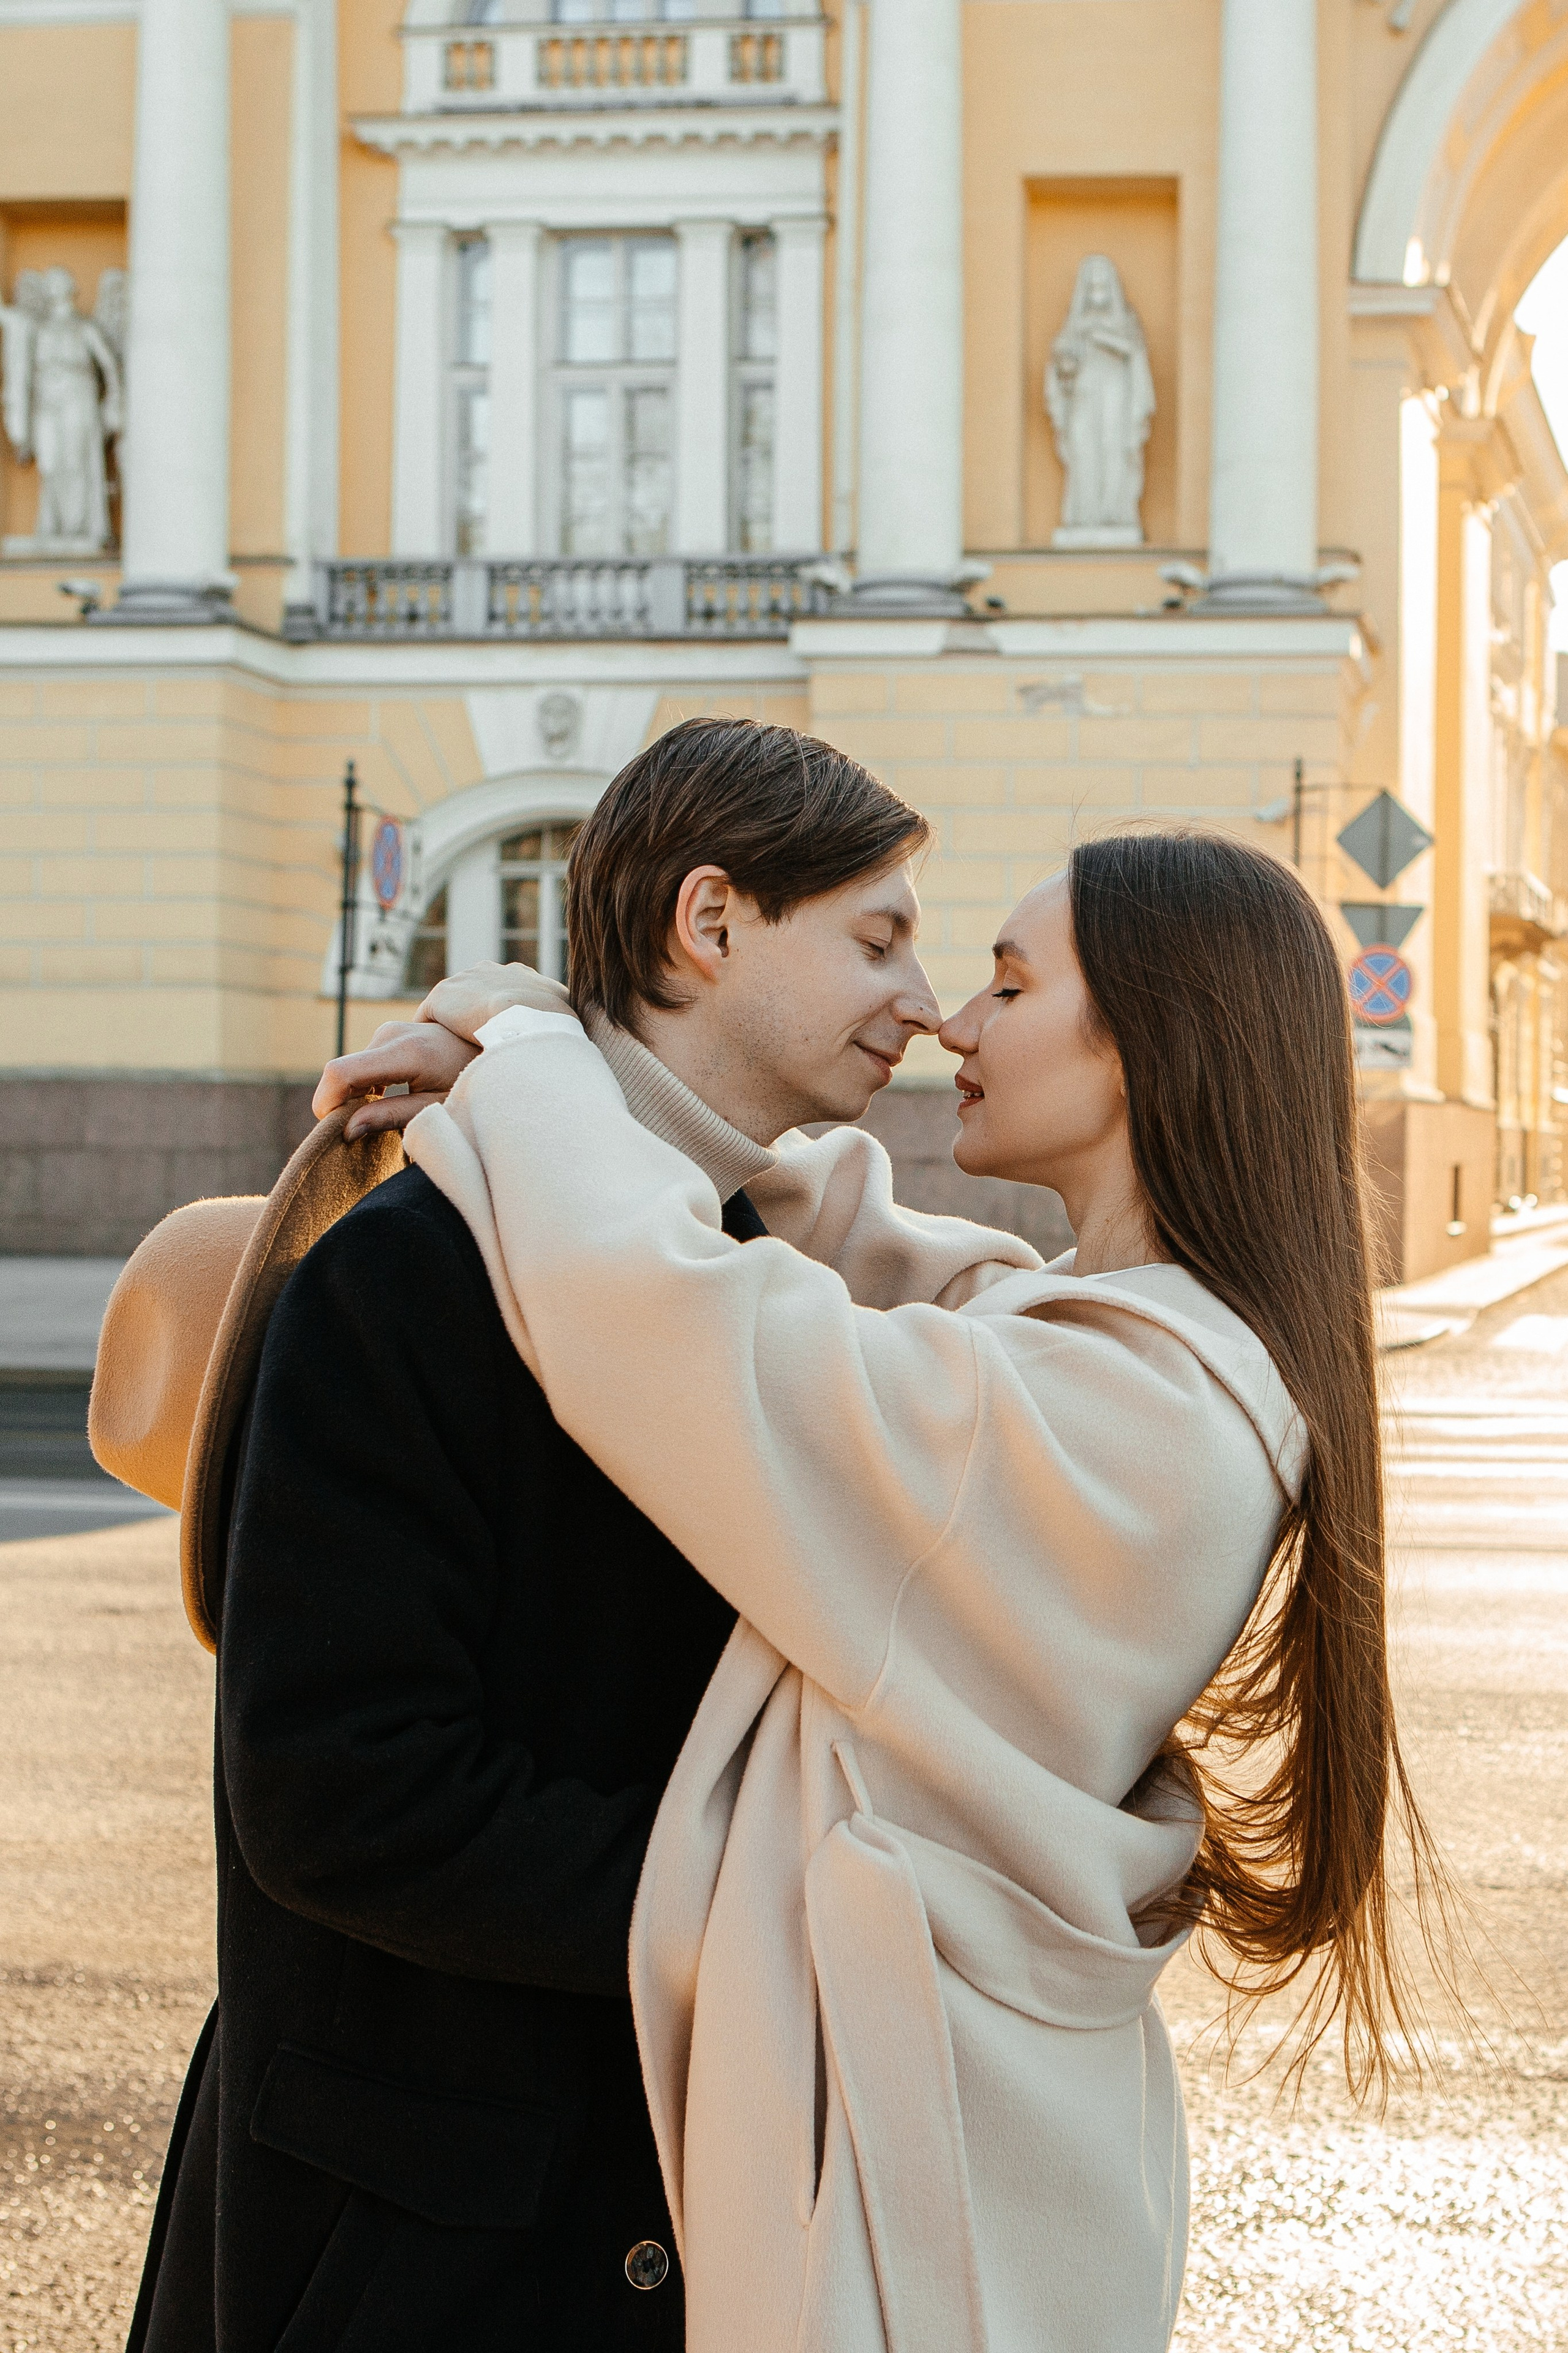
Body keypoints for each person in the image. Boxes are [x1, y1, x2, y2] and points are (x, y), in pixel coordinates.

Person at [332, 828, 1439, 2353]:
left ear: (1144, 1044)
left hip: (921, 2200)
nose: (948, 1022)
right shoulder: (1143, 1355)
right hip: (997, 2157)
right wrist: (588, 1069)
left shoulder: (1124, 1414)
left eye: (1004, 983)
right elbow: (883, 1261)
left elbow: (673, 1318)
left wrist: (533, 1063)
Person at [126, 717, 1046, 2353]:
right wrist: (785, 1910)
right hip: (418, 2245)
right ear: (708, 924)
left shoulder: (740, 1261)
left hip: (652, 2202)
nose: (918, 1001)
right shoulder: (413, 1273)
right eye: (878, 939)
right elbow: (343, 1796)